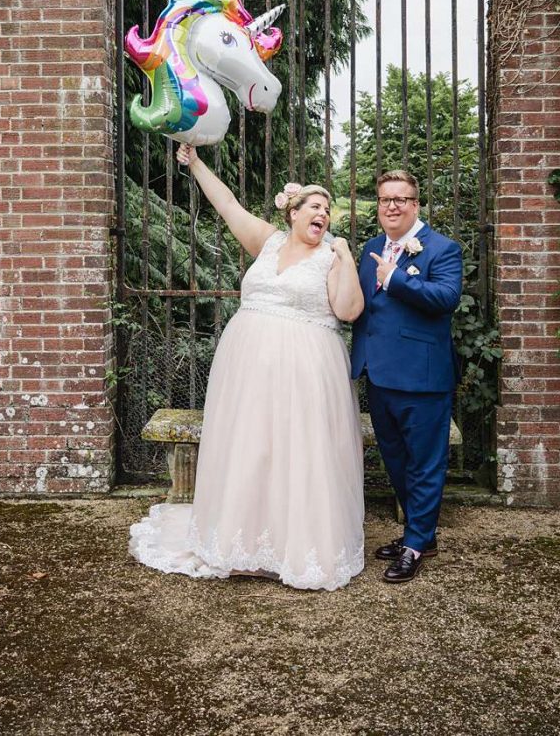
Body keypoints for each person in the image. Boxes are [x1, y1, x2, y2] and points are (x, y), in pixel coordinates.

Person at [129, 143, 366, 591]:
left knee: (298, 451)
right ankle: (243, 544)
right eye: (315, 206)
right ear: (292, 213)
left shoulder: (331, 257)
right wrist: (196, 164)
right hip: (248, 365)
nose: (323, 215)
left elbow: (350, 310)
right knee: (252, 446)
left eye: (328, 211)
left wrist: (348, 258)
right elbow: (228, 204)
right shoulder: (267, 241)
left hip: (305, 368)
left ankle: (292, 545)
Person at [351, 169, 463, 584]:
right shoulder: (369, 248)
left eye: (401, 199)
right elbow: (360, 306)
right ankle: (422, 532)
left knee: (425, 463)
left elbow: (446, 299)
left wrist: (395, 279)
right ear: (378, 207)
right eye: (385, 199)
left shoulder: (442, 249)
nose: (392, 206)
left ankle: (416, 543)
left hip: (423, 377)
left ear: (416, 205)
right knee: (396, 460)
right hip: (378, 374)